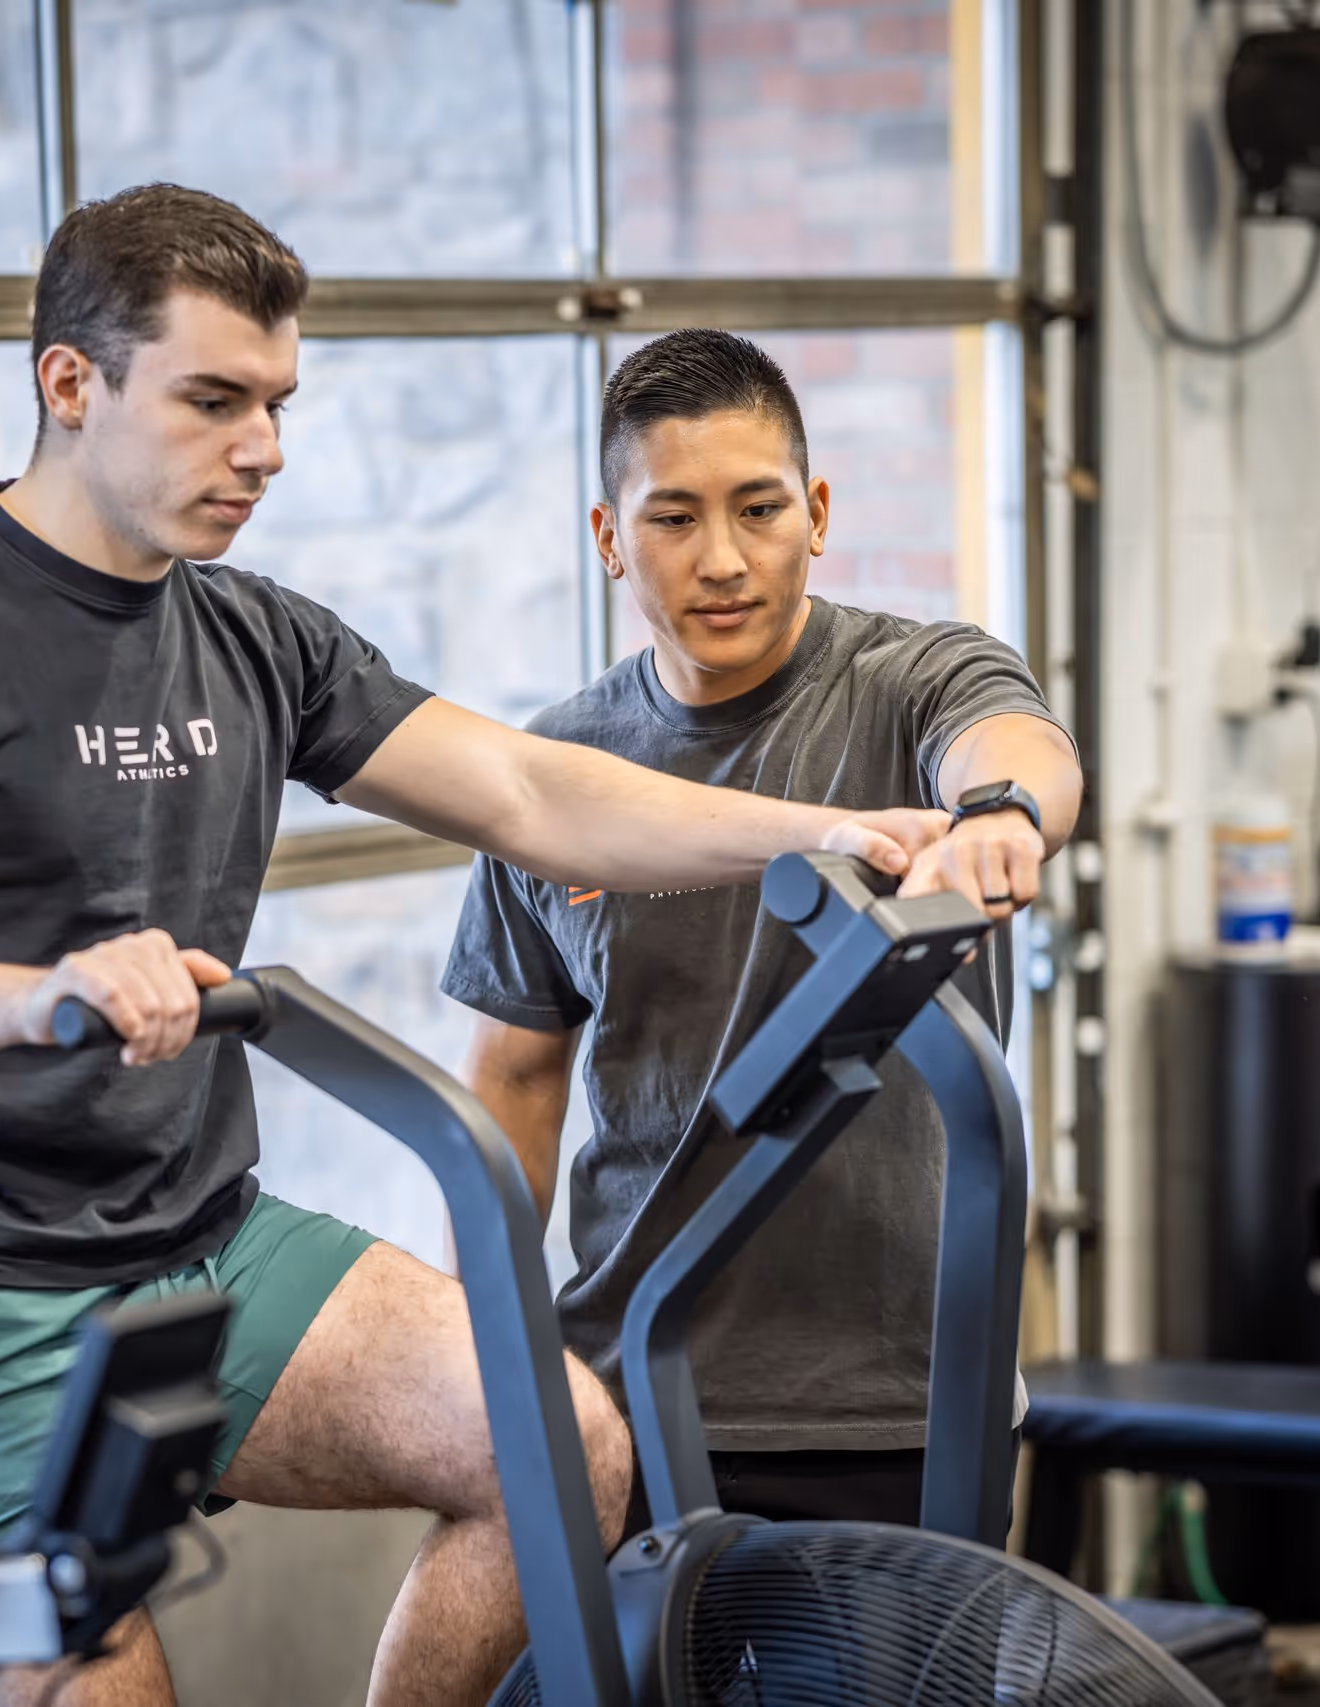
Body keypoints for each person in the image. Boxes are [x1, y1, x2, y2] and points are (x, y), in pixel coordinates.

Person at [0, 188, 956, 1707]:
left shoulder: (253, 636)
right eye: (216, 401)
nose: (266, 449)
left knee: (561, 1439)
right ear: (68, 384)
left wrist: (823, 834)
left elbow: (526, 791)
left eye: (279, 403)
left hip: (189, 1242)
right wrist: (40, 994)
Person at [442, 329, 1082, 1535]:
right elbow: (514, 1082)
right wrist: (473, 1347)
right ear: (606, 538)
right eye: (673, 519)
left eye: (759, 509)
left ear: (817, 511)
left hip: (895, 1400)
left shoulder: (912, 679)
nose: (723, 560)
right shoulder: (559, 771)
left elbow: (1015, 743)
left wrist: (997, 817)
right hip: (626, 1387)